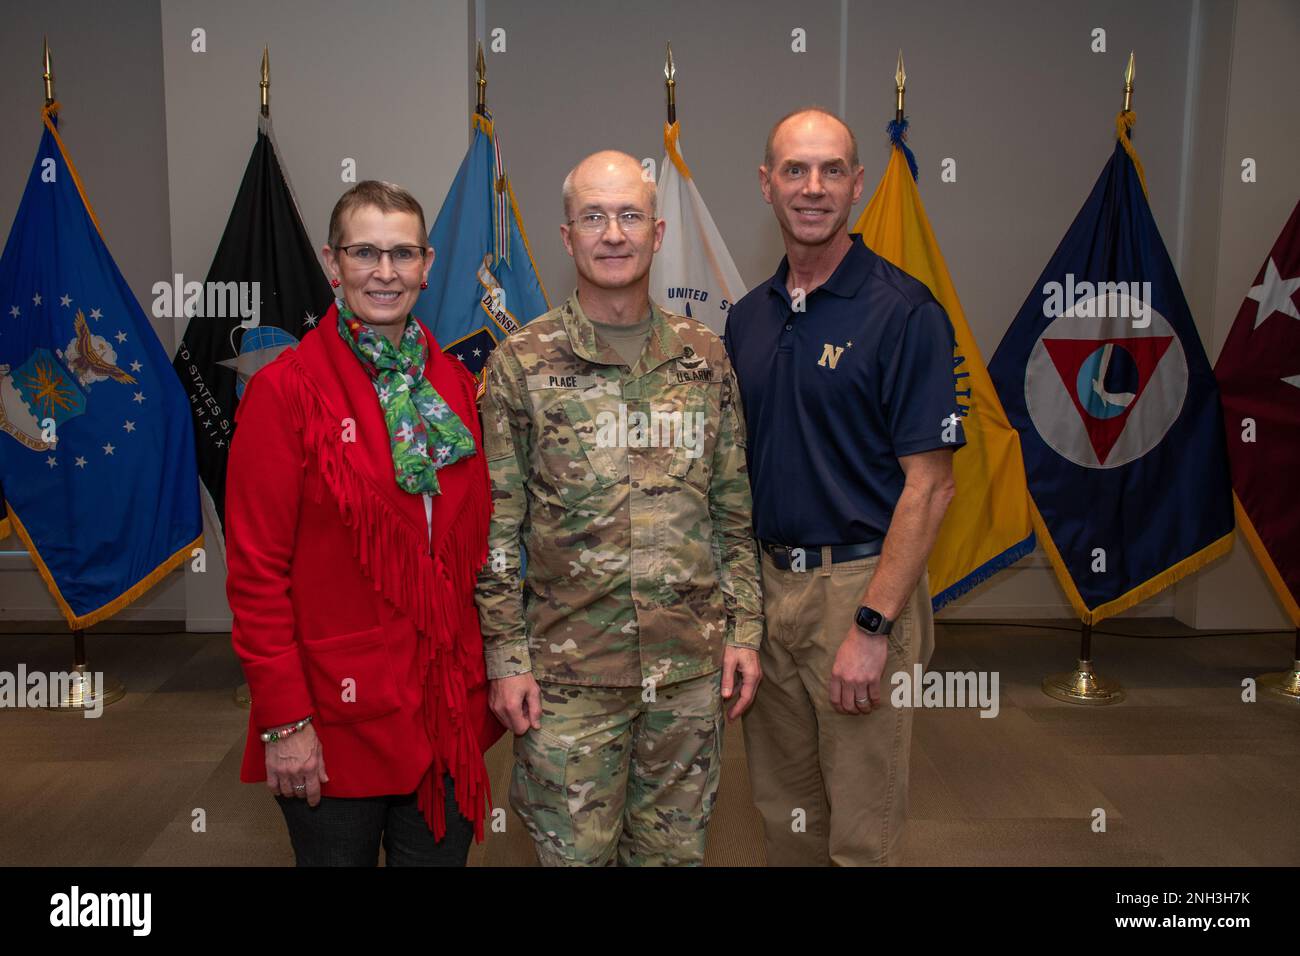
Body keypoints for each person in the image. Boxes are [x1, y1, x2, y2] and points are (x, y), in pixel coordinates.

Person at [474, 151, 763, 866]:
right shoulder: (520, 362)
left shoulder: (705, 358)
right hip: (568, 678)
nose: (613, 233)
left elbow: (731, 509)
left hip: (687, 673)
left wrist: (746, 629)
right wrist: (505, 657)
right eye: (593, 217)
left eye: (629, 215)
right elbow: (497, 530)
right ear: (567, 235)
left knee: (672, 858)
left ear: (657, 233)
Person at [226, 180, 503, 866]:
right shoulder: (284, 392)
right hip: (335, 716)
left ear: (428, 264)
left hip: (443, 711)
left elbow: (475, 545)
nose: (385, 272)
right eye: (365, 253)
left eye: (402, 253)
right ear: (332, 261)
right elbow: (257, 574)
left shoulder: (454, 386)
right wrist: (285, 720)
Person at [724, 108, 965, 866]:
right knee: (783, 821)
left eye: (832, 171)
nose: (813, 187)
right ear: (766, 184)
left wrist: (872, 627)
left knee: (861, 835)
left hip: (857, 592)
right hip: (769, 592)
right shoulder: (747, 320)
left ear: (858, 185)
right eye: (795, 170)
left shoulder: (905, 312)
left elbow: (931, 487)